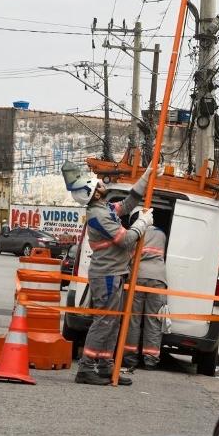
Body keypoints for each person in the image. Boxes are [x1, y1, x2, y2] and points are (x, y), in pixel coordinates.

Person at [62, 161, 158, 386]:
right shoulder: (98, 215)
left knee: (112, 322)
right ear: (93, 194)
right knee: (104, 322)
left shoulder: (104, 208)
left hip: (114, 273)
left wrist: (146, 177)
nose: (102, 185)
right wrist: (142, 224)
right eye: (97, 186)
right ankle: (86, 368)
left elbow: (127, 204)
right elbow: (125, 240)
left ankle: (105, 367)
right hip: (106, 275)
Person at [123, 206, 168, 370]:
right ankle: (150, 359)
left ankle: (130, 358)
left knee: (133, 319)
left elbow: (126, 256)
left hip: (138, 277)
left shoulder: (135, 232)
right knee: (153, 320)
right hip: (158, 279)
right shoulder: (162, 234)